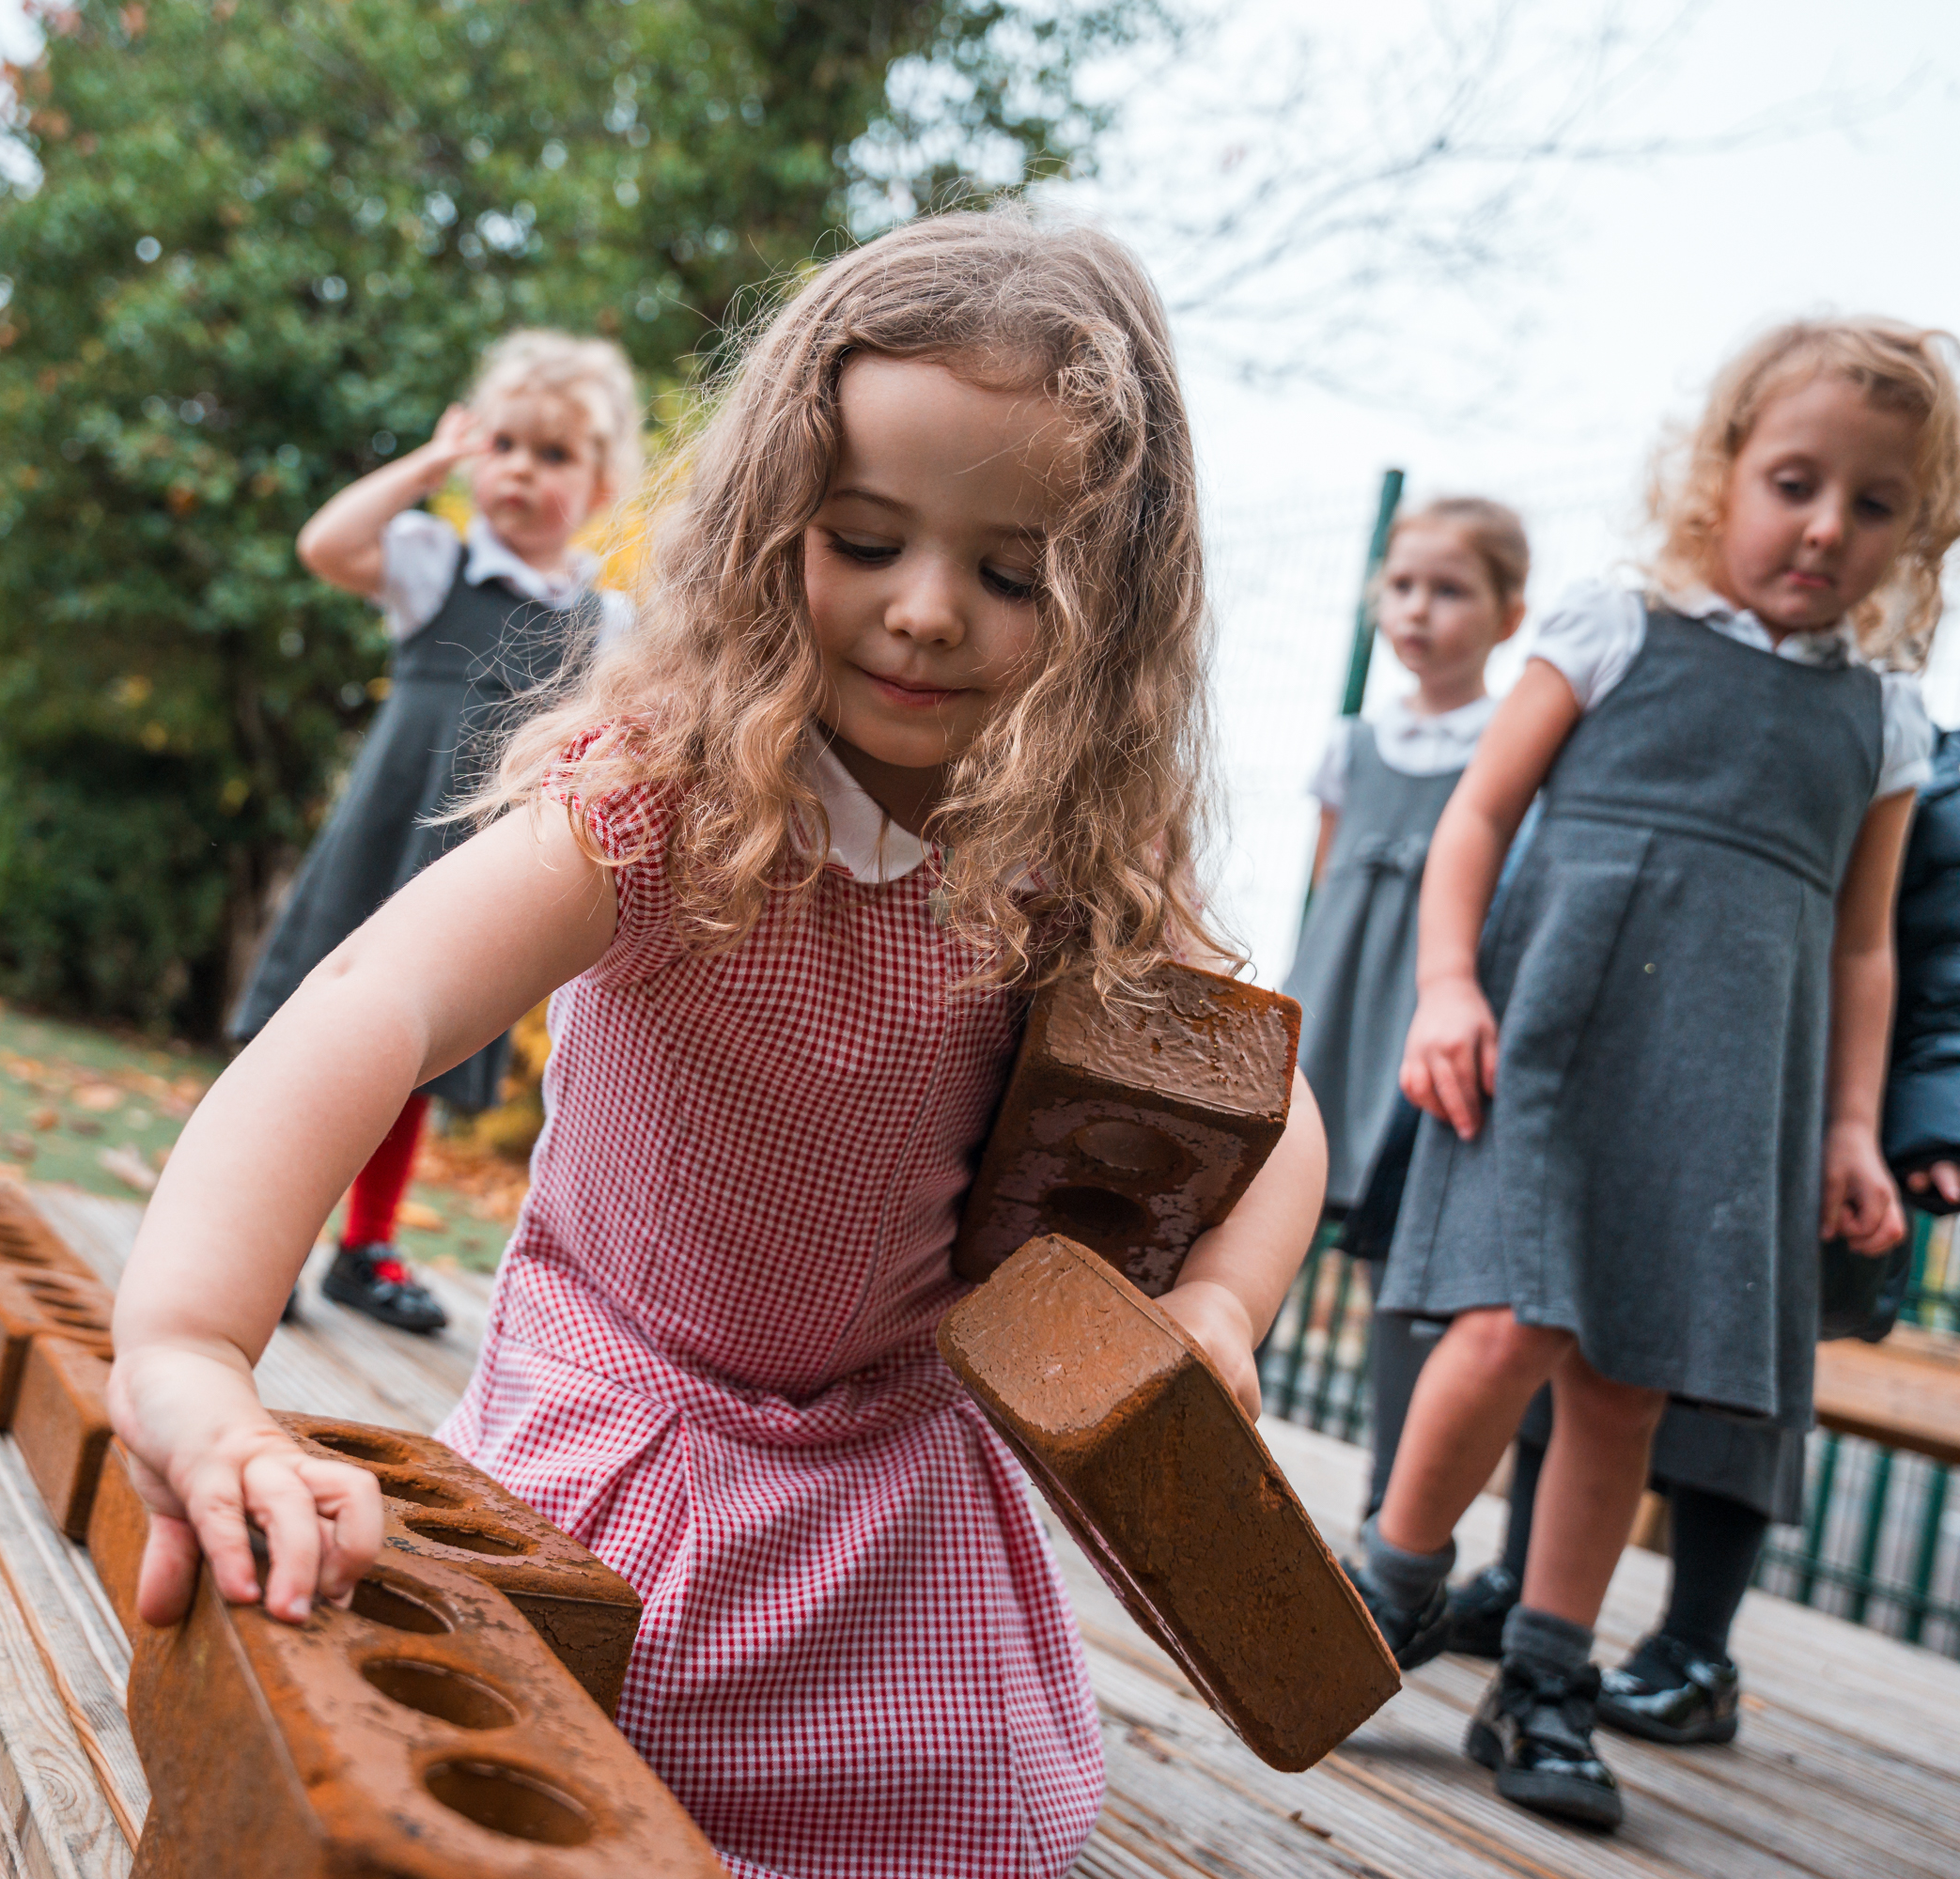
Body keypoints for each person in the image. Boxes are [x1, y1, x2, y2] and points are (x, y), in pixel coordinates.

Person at [107, 210, 1329, 1879]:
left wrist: (1216, 1306)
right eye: (866, 538)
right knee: (528, 1780)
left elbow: (1277, 1112)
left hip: (894, 1489)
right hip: (628, 1427)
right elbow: (365, 1009)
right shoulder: (666, 799)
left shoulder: (1077, 859)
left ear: (1110, 607)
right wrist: (185, 1349)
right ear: (772, 523)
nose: (922, 613)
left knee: (978, 1823)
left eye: (1008, 572)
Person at [1352, 318, 1960, 1830]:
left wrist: (1850, 1125)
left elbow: (1861, 950)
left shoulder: (1885, 716)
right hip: (1553, 1035)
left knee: (1629, 1377)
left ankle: (1549, 1676)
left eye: (1878, 502)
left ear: (1922, 527)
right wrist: (1446, 984)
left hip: (1724, 1081)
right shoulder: (1611, 626)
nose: (1829, 526)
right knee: (1510, 1324)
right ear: (1719, 474)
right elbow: (1478, 820)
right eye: (1794, 480)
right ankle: (1389, 1583)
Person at [1419, 723, 1960, 1741]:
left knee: (1738, 1370)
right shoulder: (1717, 706)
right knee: (1571, 1332)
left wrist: (1948, 1121)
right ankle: (1528, 1581)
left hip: (1811, 1106)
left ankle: (1697, 1642)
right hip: (1664, 1069)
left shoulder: (1922, 775)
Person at [230, 329, 642, 1334]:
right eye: (502, 444)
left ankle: (363, 1248)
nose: (520, 470)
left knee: (411, 1043)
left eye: (553, 456)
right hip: (383, 836)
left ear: (597, 484)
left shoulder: (607, 622)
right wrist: (427, 463)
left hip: (475, 865)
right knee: (311, 1028)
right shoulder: (435, 563)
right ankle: (260, 1241)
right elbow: (325, 544)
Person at [1281, 496, 1528, 1516]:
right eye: (1403, 586)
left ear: (1509, 614)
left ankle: (1396, 1509)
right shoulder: (1353, 745)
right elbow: (1328, 882)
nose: (1419, 609)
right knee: (1262, 1218)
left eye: (1451, 589)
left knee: (1400, 1259)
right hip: (1334, 1012)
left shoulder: (1510, 743)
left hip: (1420, 1031)